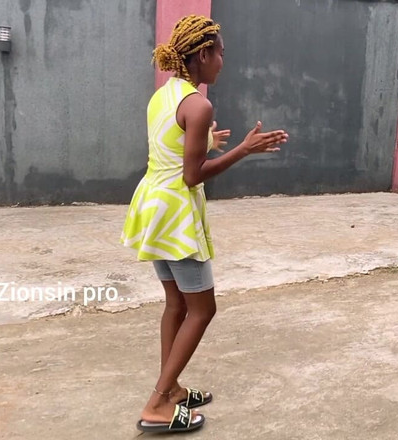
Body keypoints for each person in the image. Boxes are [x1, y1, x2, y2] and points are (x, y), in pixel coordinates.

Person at [120, 15, 289, 433]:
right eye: (221, 53)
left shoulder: (166, 95)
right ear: (202, 54)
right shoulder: (200, 104)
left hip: (152, 209)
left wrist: (205, 141)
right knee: (202, 307)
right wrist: (244, 150)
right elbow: (193, 175)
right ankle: (158, 403)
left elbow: (168, 145)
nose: (223, 61)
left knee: (176, 304)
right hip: (176, 216)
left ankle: (172, 387)